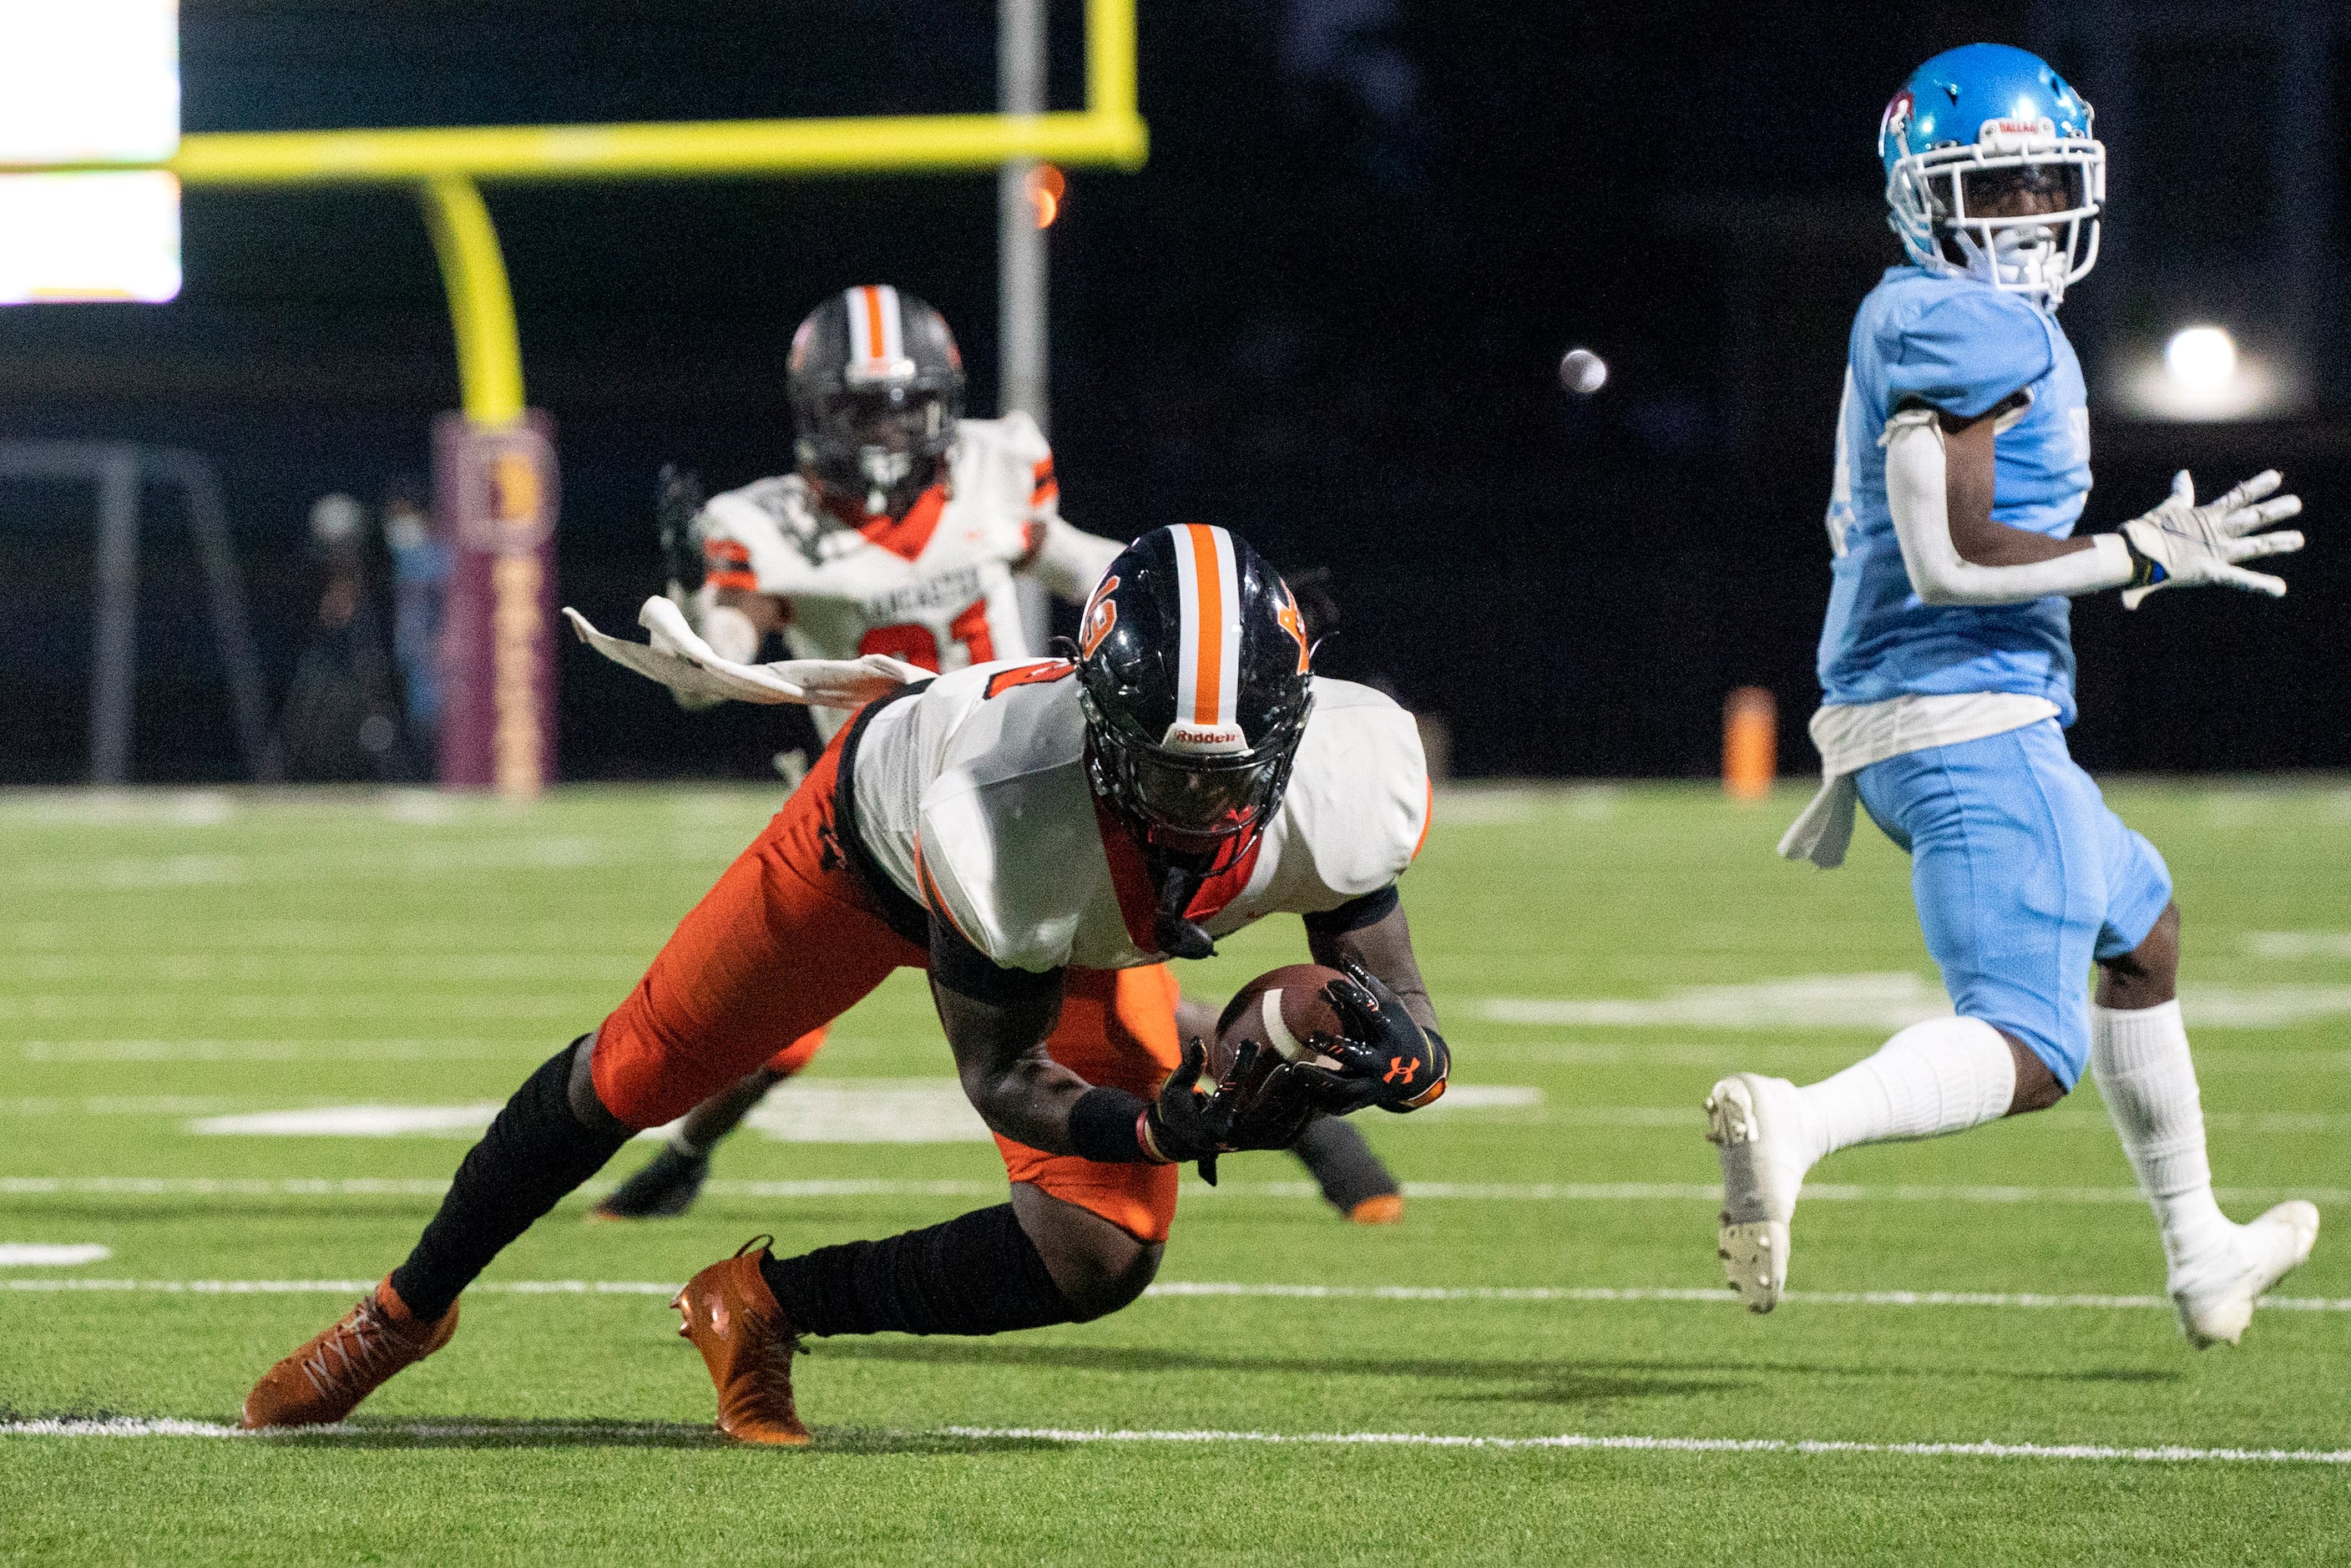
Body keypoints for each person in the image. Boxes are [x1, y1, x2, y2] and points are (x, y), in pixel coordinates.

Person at [240, 524, 1449, 1442]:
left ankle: (760, 1303)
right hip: (868, 852)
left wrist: (1405, 1061)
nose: (1197, 804)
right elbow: (1002, 1073)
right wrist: (1155, 1118)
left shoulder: (1351, 776)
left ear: (1292, 731)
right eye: (1165, 770)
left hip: (1073, 910)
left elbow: (1391, 992)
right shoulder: (1009, 808)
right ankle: (404, 1308)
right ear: (1097, 717)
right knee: (641, 1066)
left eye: (1225, 775)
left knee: (1103, 1247)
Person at [1712, 43, 2318, 1345]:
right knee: (2033, 1047)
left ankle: (2201, 1247)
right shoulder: (1956, 318)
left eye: (2048, 183)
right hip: (1961, 718)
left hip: (1958, 714)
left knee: (2142, 931)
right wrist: (2139, 551)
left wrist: (2121, 556)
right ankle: (1800, 1120)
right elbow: (1950, 558)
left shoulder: (1951, 317)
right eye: (1999, 188)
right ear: (1924, 198)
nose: (2031, 213)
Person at [597, 284, 1403, 1227]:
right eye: (858, 410)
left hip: (1014, 796)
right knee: (769, 1029)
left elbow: (1088, 567)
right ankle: (682, 1160)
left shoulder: (990, 471)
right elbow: (711, 675)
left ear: (942, 403)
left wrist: (1236, 612)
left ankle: (1330, 1146)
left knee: (1132, 1005)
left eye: (903, 407)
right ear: (812, 414)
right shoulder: (761, 523)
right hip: (876, 816)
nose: (883, 434)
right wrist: (691, 610)